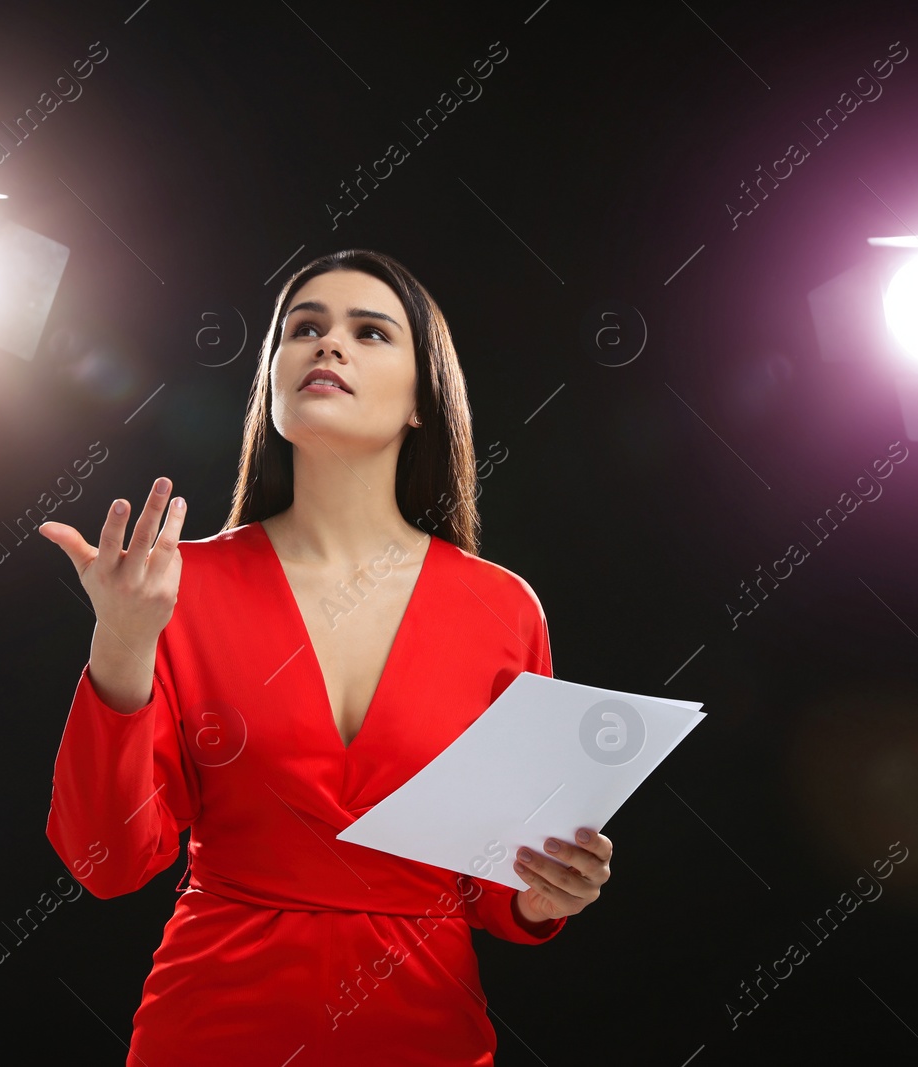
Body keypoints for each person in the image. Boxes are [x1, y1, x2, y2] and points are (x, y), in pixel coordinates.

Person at [39, 249, 612, 1065]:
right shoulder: (175, 587)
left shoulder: (502, 608)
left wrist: (549, 888)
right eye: (303, 328)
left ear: (423, 401)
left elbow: (502, 892)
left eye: (368, 331)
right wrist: (122, 644)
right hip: (210, 1032)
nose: (326, 345)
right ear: (270, 383)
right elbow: (108, 863)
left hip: (428, 1038)